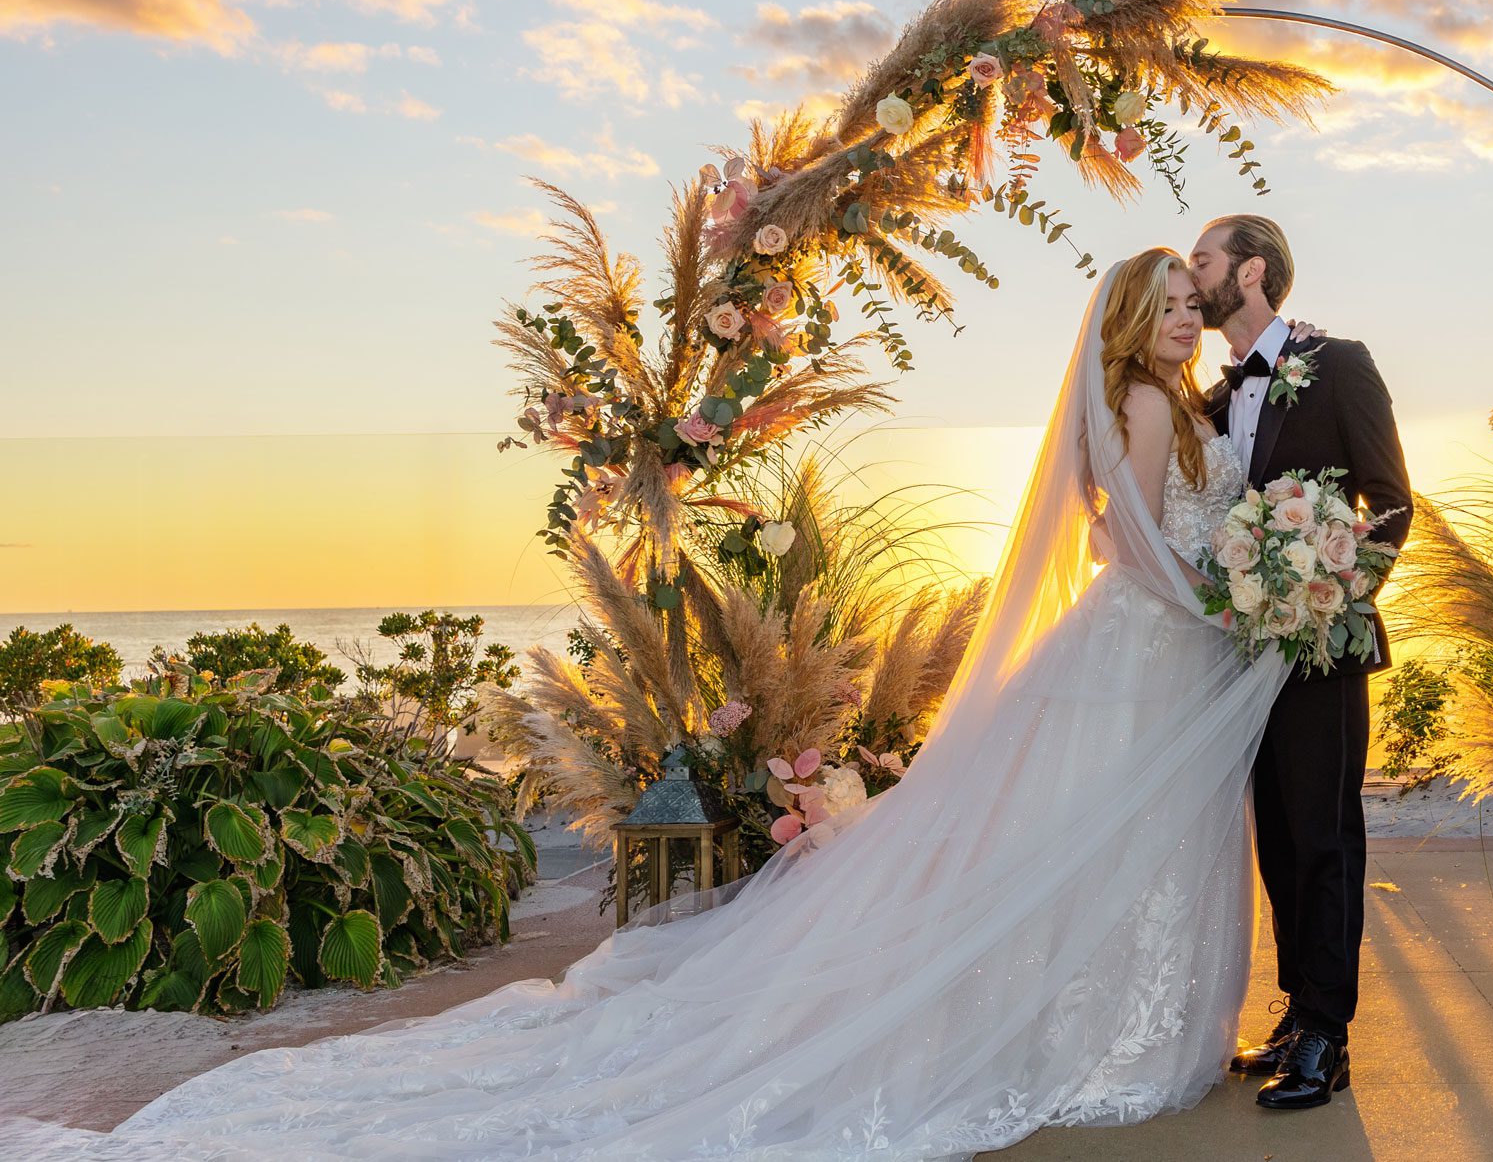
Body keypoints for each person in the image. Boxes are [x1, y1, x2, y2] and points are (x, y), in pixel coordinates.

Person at [0, 248, 1303, 1160]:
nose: (1186, 319)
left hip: (1151, 651)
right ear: (1129, 319)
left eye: (1194, 301)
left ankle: (1109, 1029)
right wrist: (1226, 604)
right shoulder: (1139, 399)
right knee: (1095, 851)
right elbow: (1132, 546)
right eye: (1168, 302)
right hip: (1142, 646)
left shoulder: (1175, 405)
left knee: (1104, 850)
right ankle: (1095, 1039)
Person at [1188, 214, 1412, 1110]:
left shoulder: (1341, 364)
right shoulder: (1208, 401)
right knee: (1277, 839)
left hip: (1323, 647)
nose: (1191, 272)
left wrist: (1332, 594)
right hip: (1240, 656)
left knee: (1323, 837)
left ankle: (1328, 1032)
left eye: (1202, 259)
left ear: (1250, 273)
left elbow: (1392, 504)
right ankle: (1296, 1011)